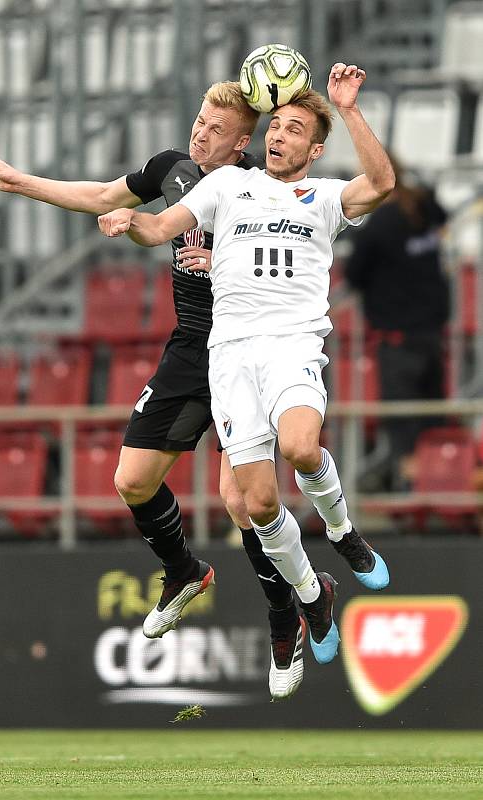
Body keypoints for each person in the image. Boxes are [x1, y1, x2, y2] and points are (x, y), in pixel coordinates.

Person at [0, 82, 306, 685]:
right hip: (189, 349)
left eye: (216, 130)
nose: (201, 133)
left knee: (242, 502)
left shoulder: (262, 183)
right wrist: (20, 181)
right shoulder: (171, 170)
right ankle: (184, 572)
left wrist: (229, 258)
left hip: (244, 348)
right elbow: (99, 194)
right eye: (200, 120)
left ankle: (286, 615)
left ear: (242, 142)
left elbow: (299, 250)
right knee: (131, 480)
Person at [97, 62, 395, 700]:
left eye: (293, 130)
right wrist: (130, 225)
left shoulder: (324, 198)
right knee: (255, 505)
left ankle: (344, 535)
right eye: (276, 126)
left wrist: (347, 108)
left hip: (291, 347)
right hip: (226, 354)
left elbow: (383, 183)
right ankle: (314, 595)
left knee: (302, 447)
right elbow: (160, 227)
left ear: (314, 149)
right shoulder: (228, 184)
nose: (278, 137)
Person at [345, 154, 449, 489]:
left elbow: (352, 275)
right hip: (433, 336)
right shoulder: (422, 206)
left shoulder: (377, 228)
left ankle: (414, 501)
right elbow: (442, 217)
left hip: (399, 342)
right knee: (433, 422)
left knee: (405, 430)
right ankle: (439, 492)